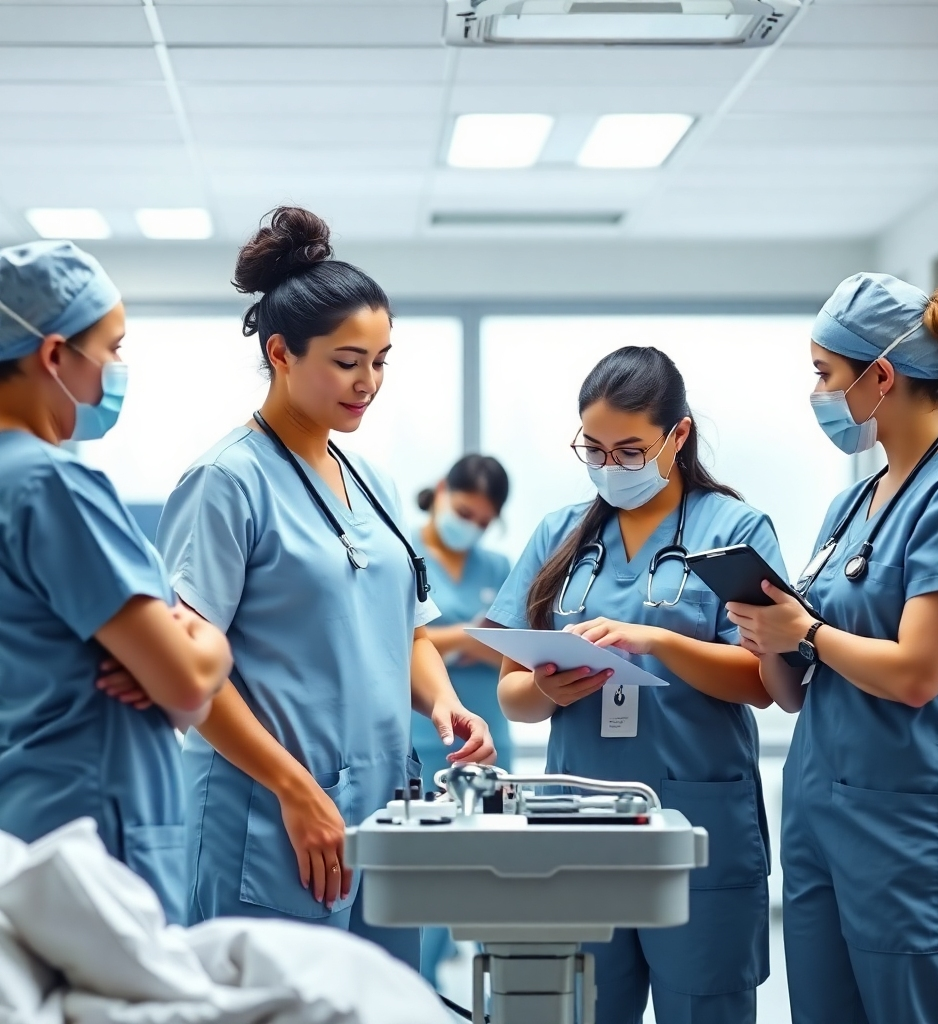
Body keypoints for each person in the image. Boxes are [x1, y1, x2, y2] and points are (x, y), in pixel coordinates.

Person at [156, 206, 495, 969]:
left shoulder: (367, 481)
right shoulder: (225, 482)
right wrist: (295, 789)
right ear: (281, 352)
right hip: (268, 811)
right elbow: (188, 676)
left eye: (381, 361)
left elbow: (404, 630)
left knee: (383, 999)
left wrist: (444, 702)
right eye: (347, 361)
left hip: (380, 815)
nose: (368, 383)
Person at [727, 275, 938, 1024]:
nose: (816, 392)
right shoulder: (851, 502)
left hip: (913, 832)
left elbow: (919, 674)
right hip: (823, 818)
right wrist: (770, 640)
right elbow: (798, 689)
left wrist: (810, 633)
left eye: (825, 373)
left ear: (880, 376)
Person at [488, 345, 788, 1024]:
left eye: (629, 451)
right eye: (592, 449)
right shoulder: (561, 535)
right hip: (578, 829)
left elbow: (763, 681)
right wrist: (545, 691)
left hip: (695, 829)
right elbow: (512, 689)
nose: (609, 467)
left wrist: (655, 640)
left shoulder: (734, 530)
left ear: (678, 436)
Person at [0, 240, 231, 924]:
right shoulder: (51, 486)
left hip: (26, 815)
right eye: (112, 347)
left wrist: (173, 665)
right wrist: (208, 641)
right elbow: (187, 685)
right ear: (53, 356)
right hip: (95, 828)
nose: (119, 368)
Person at [412, 454, 512, 987]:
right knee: (423, 883)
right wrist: (468, 637)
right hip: (421, 740)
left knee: (491, 879)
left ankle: (505, 997)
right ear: (441, 488)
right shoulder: (401, 550)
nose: (469, 526)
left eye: (482, 520)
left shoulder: (499, 569)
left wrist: (449, 639)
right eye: (464, 510)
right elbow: (402, 640)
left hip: (487, 742)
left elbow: (514, 649)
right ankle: (416, 995)